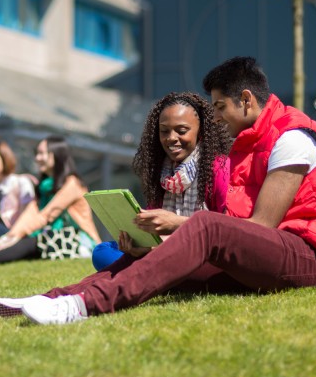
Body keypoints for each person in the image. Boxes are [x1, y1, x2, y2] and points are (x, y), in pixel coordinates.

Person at [0, 56, 316, 324]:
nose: (214, 117)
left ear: (246, 100)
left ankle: (82, 307)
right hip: (275, 255)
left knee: (205, 226)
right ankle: (54, 299)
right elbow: (239, 229)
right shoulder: (249, 142)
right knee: (155, 256)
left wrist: (181, 225)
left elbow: (258, 229)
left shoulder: (293, 137)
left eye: (219, 107)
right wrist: (157, 248)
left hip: (314, 259)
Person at [91, 91, 230, 271]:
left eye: (181, 131)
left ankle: (147, 270)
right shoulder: (160, 171)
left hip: (201, 252)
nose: (171, 138)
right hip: (161, 250)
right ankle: (149, 268)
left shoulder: (219, 167)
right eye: (164, 131)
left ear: (201, 133)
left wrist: (170, 233)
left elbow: (227, 227)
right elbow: (154, 228)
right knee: (102, 251)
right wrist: (137, 241)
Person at [0, 135, 101, 269]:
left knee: (33, 242)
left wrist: (15, 236)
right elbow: (31, 213)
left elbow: (47, 215)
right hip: (53, 239)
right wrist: (12, 235)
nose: (37, 158)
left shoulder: (72, 183)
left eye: (42, 153)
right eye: (36, 153)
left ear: (57, 155)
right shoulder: (43, 186)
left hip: (79, 242)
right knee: (25, 241)